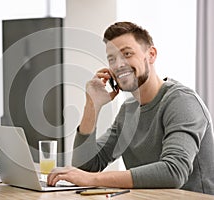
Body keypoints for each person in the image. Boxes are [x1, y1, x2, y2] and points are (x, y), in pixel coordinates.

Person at [47, 21, 214, 195]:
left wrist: (93, 179)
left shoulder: (181, 101)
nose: (119, 65)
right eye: (112, 59)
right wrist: (92, 106)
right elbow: (86, 166)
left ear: (151, 55)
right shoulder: (128, 110)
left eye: (127, 54)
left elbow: (173, 171)